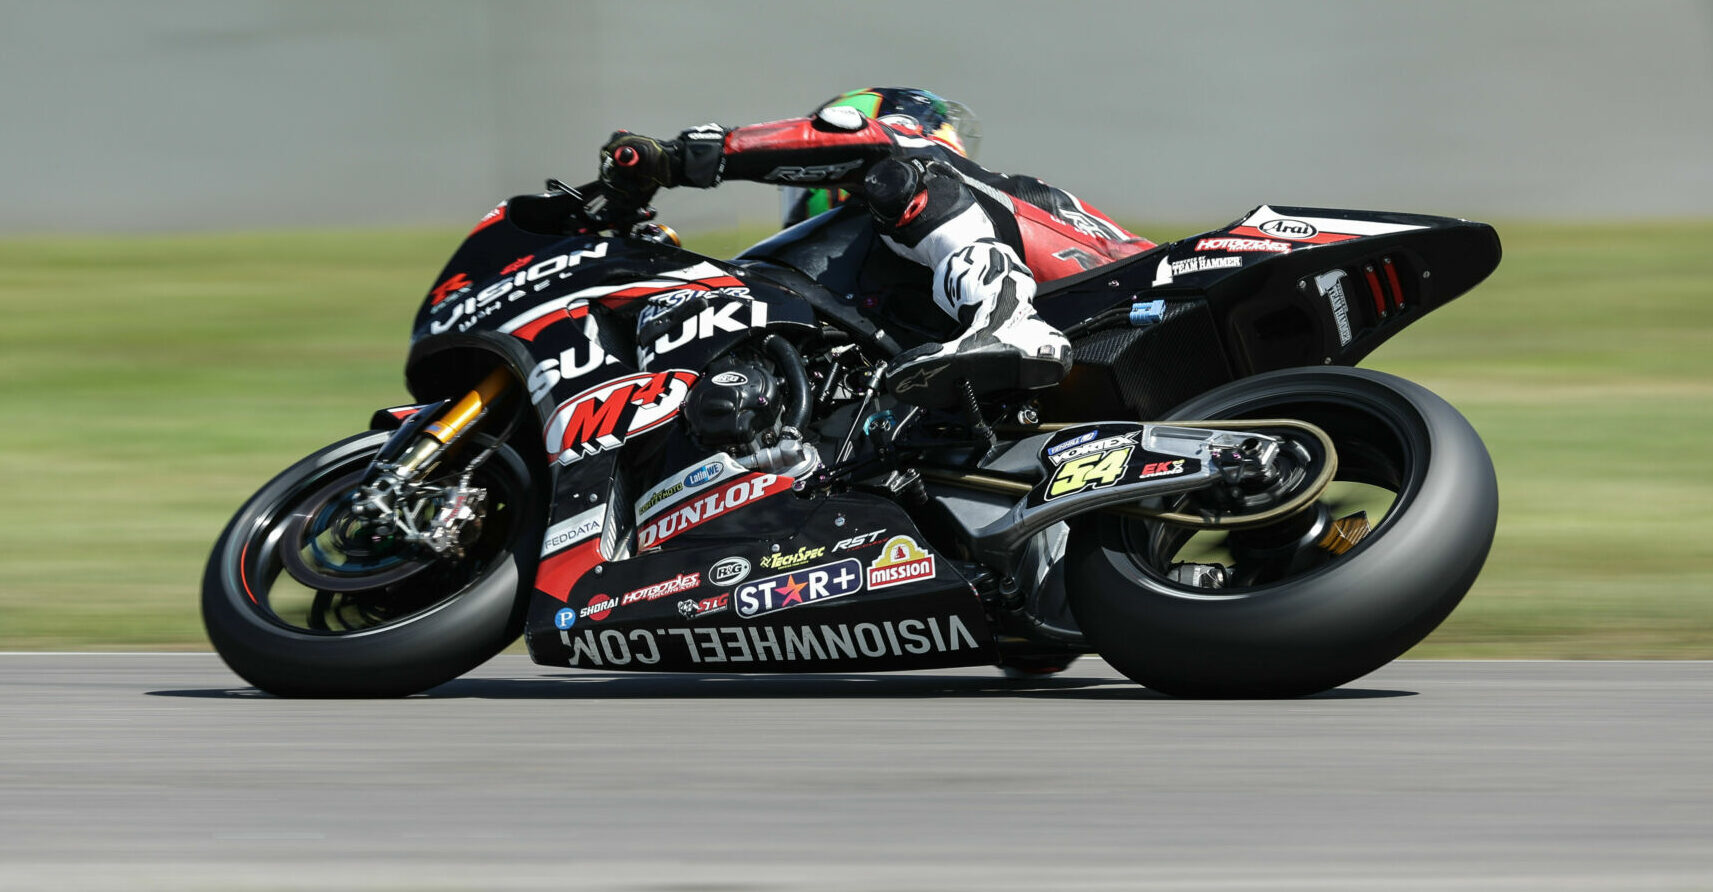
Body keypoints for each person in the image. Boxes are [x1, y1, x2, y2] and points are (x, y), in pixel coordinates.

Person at [598, 87, 1153, 407]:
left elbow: (865, 145)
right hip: (1104, 355)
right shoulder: (1013, 207)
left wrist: (682, 157)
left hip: (1114, 309)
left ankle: (1004, 319)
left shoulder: (912, 168)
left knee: (895, 175)